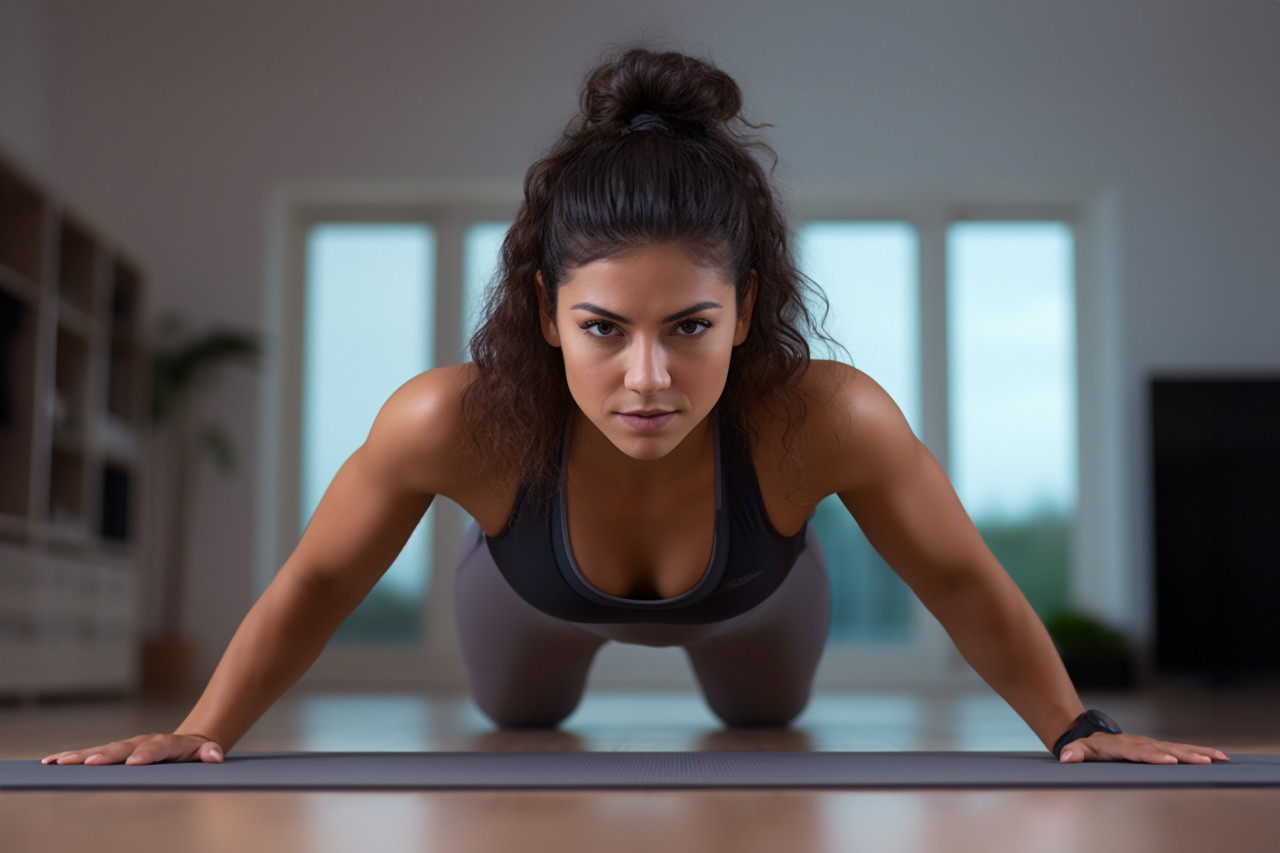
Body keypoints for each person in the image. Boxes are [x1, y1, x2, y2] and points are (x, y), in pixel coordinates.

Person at [44, 46, 1227, 768]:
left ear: (746, 307)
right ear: (546, 311)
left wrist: (1076, 729)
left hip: (757, 607)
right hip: (528, 604)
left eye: (690, 327)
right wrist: (201, 727)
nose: (647, 378)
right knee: (520, 722)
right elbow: (315, 583)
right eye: (604, 329)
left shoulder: (829, 418)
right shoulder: (447, 422)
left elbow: (960, 578)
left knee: (762, 724)